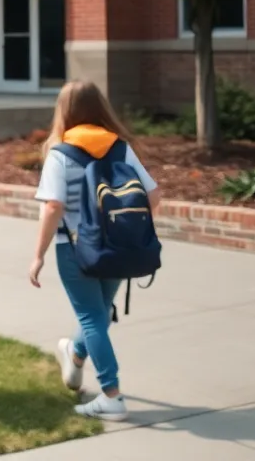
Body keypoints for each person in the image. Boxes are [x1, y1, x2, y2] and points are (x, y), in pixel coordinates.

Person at [29, 79, 162, 421]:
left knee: (91, 317)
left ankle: (111, 395)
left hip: (74, 248)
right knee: (99, 314)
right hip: (118, 247)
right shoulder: (120, 148)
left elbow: (53, 207)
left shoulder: (61, 153)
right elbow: (153, 196)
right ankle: (74, 355)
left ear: (65, 111)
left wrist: (38, 254)